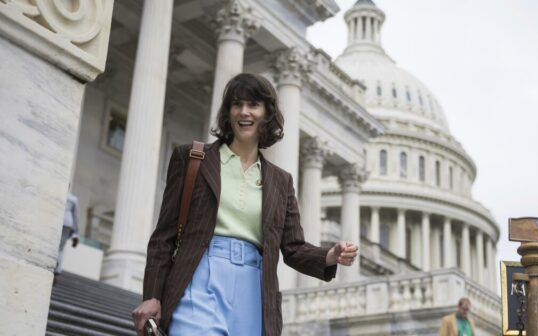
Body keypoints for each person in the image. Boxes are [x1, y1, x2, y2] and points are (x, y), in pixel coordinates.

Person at [132, 73, 359, 335]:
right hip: (199, 277)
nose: (244, 112)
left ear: (267, 113)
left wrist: (330, 255)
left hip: (255, 288)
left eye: (253, 105)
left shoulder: (280, 181)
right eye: (236, 104)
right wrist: (151, 294)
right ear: (228, 113)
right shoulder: (193, 159)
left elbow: (293, 248)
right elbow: (163, 237)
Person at [55, 192, 80, 276]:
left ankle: (56, 264)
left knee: (57, 244)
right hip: (67, 222)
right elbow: (76, 217)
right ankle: (57, 267)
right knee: (61, 247)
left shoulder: (59, 192)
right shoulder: (73, 199)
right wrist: (75, 233)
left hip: (58, 219)